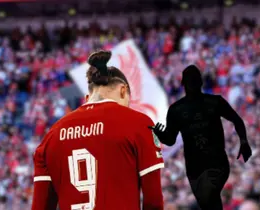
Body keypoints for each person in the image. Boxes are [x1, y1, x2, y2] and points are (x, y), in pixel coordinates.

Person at [31, 50, 165, 210]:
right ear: (123, 90)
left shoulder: (52, 135)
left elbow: (40, 206)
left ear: (88, 98)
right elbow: (154, 202)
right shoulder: (139, 123)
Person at [150, 65, 252, 210]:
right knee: (208, 203)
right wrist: (159, 133)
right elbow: (170, 140)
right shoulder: (176, 109)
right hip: (194, 167)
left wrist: (244, 141)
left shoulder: (214, 102)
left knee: (209, 197)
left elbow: (236, 119)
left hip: (215, 162)